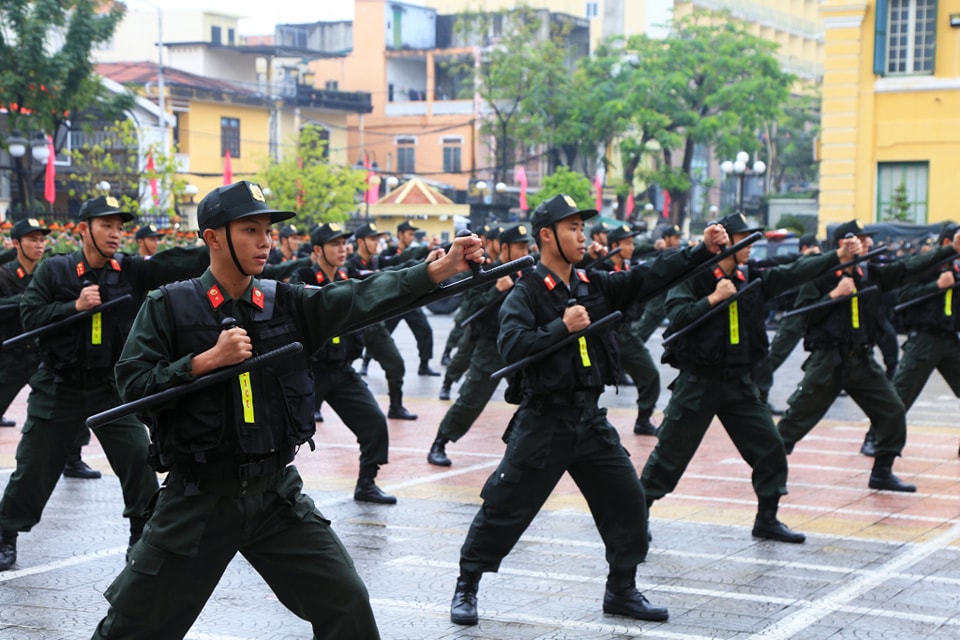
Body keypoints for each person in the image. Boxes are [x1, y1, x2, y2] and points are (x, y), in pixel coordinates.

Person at [90, 180, 484, 639]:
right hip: (199, 500)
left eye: (268, 231)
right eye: (250, 230)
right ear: (213, 237)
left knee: (347, 604)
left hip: (275, 496)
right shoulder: (170, 306)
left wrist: (435, 271)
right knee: (132, 628)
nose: (265, 242)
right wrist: (202, 363)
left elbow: (357, 297)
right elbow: (132, 384)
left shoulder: (286, 302)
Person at [448, 194, 729, 627]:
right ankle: (468, 583)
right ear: (546, 235)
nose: (581, 236)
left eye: (582, 228)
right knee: (505, 505)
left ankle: (621, 590)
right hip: (544, 421)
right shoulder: (525, 292)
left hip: (590, 419)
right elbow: (512, 347)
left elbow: (649, 276)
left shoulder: (593, 284)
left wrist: (700, 250)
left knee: (628, 500)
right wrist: (561, 328)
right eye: (572, 228)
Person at [0, 195, 218, 572]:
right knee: (34, 467)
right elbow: (30, 315)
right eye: (107, 226)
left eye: (120, 227)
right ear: (84, 229)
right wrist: (74, 307)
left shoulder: (131, 270)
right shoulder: (55, 270)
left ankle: (142, 534)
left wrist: (216, 242)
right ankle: (6, 533)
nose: (116, 234)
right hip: (59, 386)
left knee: (138, 458)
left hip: (111, 390)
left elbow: (175, 263)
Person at [641, 213, 860, 545]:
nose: (750, 245)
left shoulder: (750, 278)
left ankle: (767, 519)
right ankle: (637, 514)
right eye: (744, 237)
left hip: (738, 383)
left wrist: (838, 257)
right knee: (669, 455)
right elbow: (678, 316)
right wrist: (713, 298)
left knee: (770, 448)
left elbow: (793, 273)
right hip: (699, 382)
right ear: (725, 242)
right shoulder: (695, 276)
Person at [777, 220, 960, 493]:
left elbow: (906, 268)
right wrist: (834, 294)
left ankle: (882, 472)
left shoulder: (868, 273)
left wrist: (948, 252)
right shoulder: (822, 274)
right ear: (844, 244)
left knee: (892, 410)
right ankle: (768, 465)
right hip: (829, 360)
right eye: (862, 239)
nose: (869, 244)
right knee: (796, 420)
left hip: (861, 360)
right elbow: (803, 315)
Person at [291, 222, 397, 504]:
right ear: (317, 250)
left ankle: (366, 484)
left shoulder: (346, 274)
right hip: (309, 371)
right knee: (286, 432)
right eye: (335, 244)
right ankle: (269, 489)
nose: (342, 249)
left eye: (344, 243)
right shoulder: (301, 277)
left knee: (374, 422)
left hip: (341, 369)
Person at [0, 219, 104, 479]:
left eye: (41, 240)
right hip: (10, 355)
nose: (39, 245)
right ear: (16, 244)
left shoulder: (45, 274)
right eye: (32, 240)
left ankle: (73, 458)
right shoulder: (4, 274)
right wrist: (20, 301)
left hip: (39, 353)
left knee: (68, 400)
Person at [427, 223, 534, 466]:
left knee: (536, 395)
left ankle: (525, 447)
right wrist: (496, 290)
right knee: (472, 399)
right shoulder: (486, 273)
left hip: (521, 346)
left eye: (526, 246)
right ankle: (440, 441)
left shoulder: (529, 275)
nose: (523, 252)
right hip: (490, 346)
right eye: (518, 247)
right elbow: (471, 310)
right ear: (504, 247)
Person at [890, 222, 960, 455]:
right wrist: (936, 286)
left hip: (950, 339)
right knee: (901, 395)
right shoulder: (926, 264)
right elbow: (903, 296)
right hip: (924, 339)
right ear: (948, 242)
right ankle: (877, 440)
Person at [346, 223, 418, 420]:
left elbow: (398, 265)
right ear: (360, 241)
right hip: (350, 327)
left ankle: (396, 406)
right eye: (372, 239)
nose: (376, 243)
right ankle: (314, 407)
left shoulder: (377, 262)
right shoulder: (349, 264)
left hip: (374, 325)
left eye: (378, 239)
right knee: (332, 369)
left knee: (396, 364)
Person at [601, 223, 661, 435]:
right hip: (604, 335)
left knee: (650, 375)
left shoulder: (628, 269)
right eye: (627, 243)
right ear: (615, 246)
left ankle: (643, 420)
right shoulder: (602, 270)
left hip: (626, 333)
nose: (632, 247)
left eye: (632, 243)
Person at [380, 220, 442, 376]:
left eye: (414, 234)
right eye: (409, 234)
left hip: (411, 301)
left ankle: (424, 365)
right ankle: (366, 362)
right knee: (381, 333)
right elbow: (401, 262)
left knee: (425, 331)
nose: (412, 237)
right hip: (394, 302)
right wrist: (426, 249)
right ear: (400, 234)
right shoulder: (388, 253)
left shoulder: (416, 250)